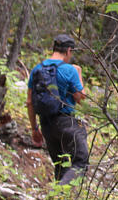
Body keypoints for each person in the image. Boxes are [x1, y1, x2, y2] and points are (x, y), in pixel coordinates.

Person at [27, 34, 89, 185]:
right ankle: (59, 193)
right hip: (66, 123)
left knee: (60, 166)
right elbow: (80, 98)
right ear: (68, 50)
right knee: (80, 163)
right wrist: (79, 73)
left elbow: (30, 102)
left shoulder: (37, 69)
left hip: (46, 125)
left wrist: (35, 128)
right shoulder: (69, 70)